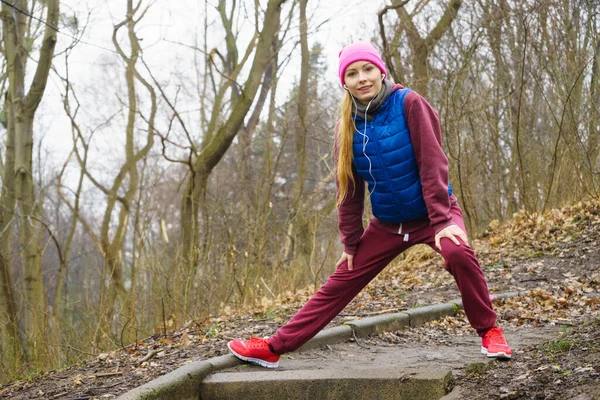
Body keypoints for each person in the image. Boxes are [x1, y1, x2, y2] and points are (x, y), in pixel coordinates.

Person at [227, 41, 512, 368]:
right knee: (339, 281)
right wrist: (350, 242)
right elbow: (348, 190)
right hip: (388, 224)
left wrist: (444, 219)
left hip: (434, 215)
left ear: (380, 71)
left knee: (458, 253)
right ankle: (274, 347)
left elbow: (433, 165)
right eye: (352, 73)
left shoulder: (410, 103)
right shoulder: (346, 128)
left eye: (367, 69)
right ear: (344, 81)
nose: (362, 78)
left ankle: (489, 331)